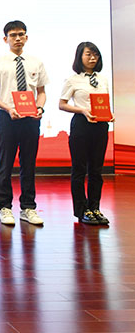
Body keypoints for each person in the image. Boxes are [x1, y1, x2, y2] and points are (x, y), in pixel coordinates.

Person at [0, 20, 48, 225]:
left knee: (28, 164)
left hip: (31, 118)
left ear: (26, 37)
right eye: (13, 35)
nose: (18, 38)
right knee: (5, 163)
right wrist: (8, 108)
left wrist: (40, 108)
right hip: (7, 117)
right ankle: (5, 207)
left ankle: (28, 207)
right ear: (6, 39)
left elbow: (41, 92)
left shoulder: (36, 62)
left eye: (21, 34)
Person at [59, 42, 111, 225]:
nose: (92, 58)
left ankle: (95, 207)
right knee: (79, 169)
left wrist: (109, 115)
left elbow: (104, 103)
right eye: (88, 54)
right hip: (81, 125)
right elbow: (62, 104)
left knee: (96, 170)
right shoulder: (73, 80)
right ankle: (82, 210)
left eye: (95, 55)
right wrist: (82, 110)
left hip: (101, 126)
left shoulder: (103, 79)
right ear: (79, 57)